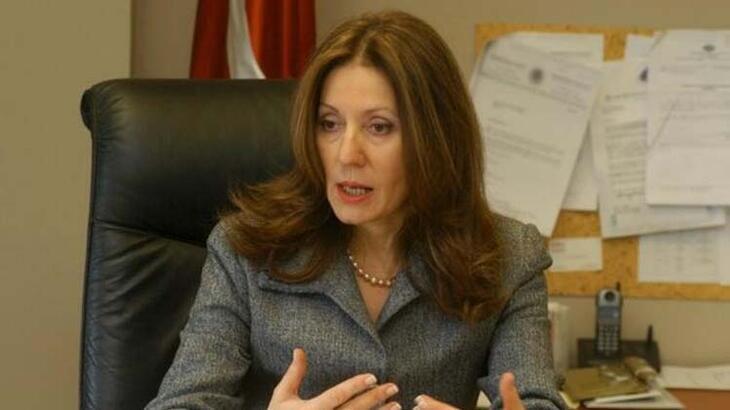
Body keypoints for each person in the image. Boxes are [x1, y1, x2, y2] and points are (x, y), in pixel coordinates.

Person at [146, 10, 566, 410]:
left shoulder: (508, 255)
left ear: (436, 138)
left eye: (379, 127)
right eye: (329, 124)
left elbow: (534, 399)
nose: (347, 154)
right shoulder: (246, 248)